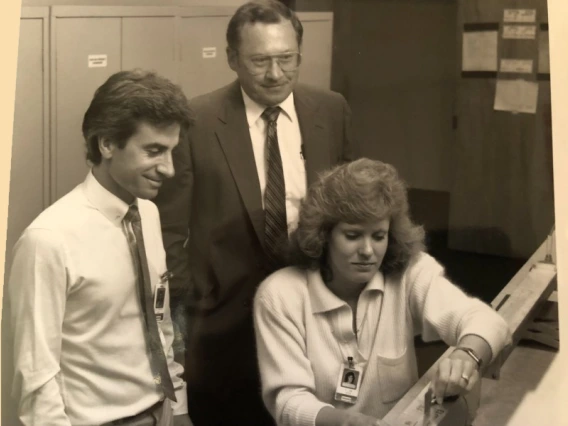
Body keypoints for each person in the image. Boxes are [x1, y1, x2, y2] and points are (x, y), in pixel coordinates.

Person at [153, 1, 354, 425]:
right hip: (224, 325)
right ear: (232, 59)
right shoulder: (197, 121)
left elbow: (349, 212)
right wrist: (189, 315)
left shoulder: (332, 110)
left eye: (286, 59)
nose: (275, 74)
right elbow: (167, 235)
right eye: (260, 61)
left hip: (313, 313)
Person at [253, 158, 512, 426]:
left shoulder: (410, 272)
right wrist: (345, 422)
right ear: (323, 236)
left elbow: (488, 320)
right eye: (352, 236)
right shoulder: (279, 295)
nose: (368, 251)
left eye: (378, 236)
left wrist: (465, 355)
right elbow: (288, 401)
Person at [7, 69, 194, 426]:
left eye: (172, 151)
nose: (168, 169)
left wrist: (179, 406)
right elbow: (36, 378)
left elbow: (159, 323)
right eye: (154, 151)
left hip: (162, 412)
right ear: (107, 144)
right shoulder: (48, 239)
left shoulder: (148, 214)